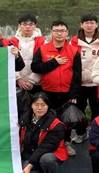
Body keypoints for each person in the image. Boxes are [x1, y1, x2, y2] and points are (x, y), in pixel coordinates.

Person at [31, 20, 82, 156]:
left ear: (67, 33)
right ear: (51, 32)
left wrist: (74, 95)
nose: (59, 34)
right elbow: (35, 68)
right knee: (48, 119)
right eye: (56, 31)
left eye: (62, 31)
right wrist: (54, 62)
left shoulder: (73, 51)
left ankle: (66, 143)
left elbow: (77, 75)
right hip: (48, 91)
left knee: (65, 120)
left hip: (66, 92)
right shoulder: (43, 49)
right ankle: (47, 144)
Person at [70, 13, 99, 142]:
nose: (89, 25)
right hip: (79, 82)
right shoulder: (73, 41)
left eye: (92, 22)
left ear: (97, 25)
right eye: (86, 23)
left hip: (97, 82)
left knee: (97, 110)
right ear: (81, 25)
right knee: (79, 109)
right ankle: (81, 133)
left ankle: (96, 133)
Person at [18, 92, 68, 173]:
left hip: (48, 153)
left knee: (47, 159)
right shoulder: (23, 119)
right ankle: (42, 172)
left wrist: (29, 166)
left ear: (48, 106)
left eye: (43, 105)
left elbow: (45, 147)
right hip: (29, 154)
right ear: (31, 105)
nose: (39, 108)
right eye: (36, 104)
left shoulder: (56, 124)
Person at [15, 13, 44, 93]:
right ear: (19, 25)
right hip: (16, 84)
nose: (28, 27)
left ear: (35, 26)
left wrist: (32, 81)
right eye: (24, 24)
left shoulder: (42, 42)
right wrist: (18, 79)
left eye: (31, 24)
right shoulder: (12, 41)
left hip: (37, 84)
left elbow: (44, 63)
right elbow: (9, 62)